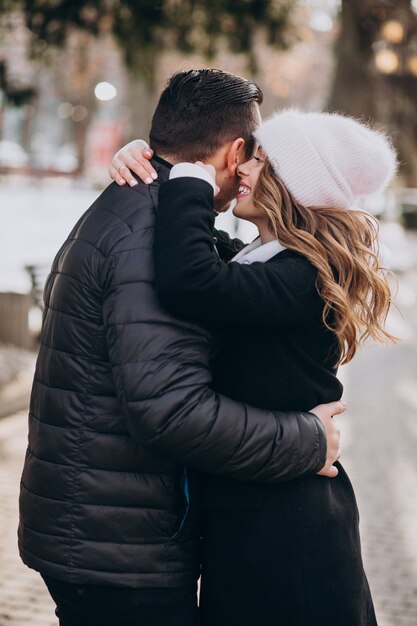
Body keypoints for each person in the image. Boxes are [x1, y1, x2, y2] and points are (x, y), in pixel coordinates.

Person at [18, 71, 344, 626]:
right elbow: (170, 412)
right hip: (122, 549)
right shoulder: (152, 239)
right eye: (254, 155)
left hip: (101, 529)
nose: (249, 172)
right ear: (235, 150)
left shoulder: (141, 207)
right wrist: (309, 440)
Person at [111, 108, 397, 625]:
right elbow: (191, 250)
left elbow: (191, 280)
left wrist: (193, 172)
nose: (242, 168)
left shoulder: (303, 277)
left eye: (260, 161)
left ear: (291, 185)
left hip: (289, 531)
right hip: (255, 511)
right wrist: (152, 163)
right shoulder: (261, 261)